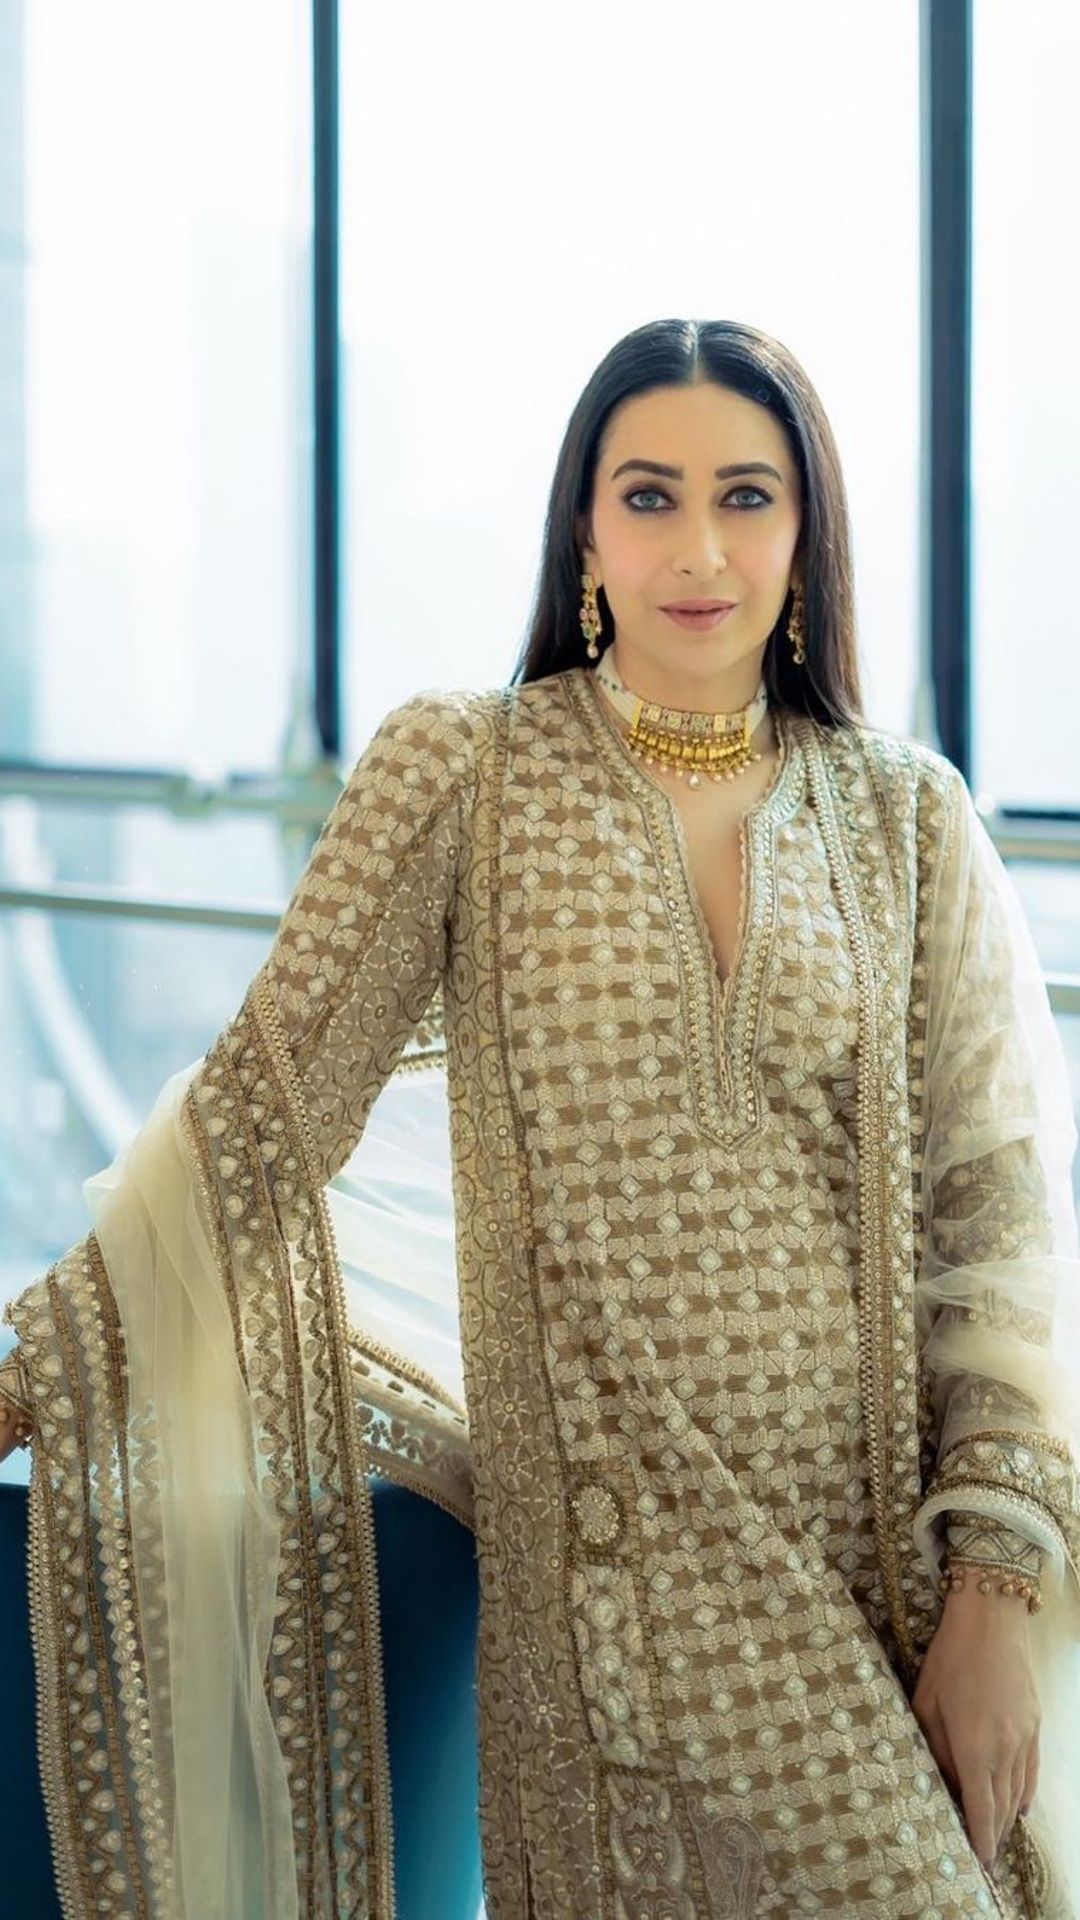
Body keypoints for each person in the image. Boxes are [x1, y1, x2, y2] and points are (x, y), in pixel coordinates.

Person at [2, 315, 1079, 1920]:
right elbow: (261, 1123)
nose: (699, 547)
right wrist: (23, 1374)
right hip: (612, 1606)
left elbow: (988, 1226)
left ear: (809, 527)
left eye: (748, 495)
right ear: (584, 526)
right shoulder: (467, 776)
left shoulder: (907, 818)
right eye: (648, 496)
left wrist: (993, 1591)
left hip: (877, 1591)